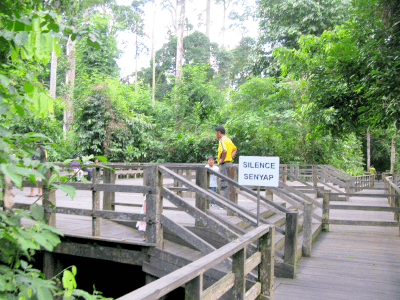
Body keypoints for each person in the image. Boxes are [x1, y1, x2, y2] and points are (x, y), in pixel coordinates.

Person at [215, 126, 237, 200]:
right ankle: (231, 201)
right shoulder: (228, 140)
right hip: (230, 163)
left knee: (223, 183)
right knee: (230, 183)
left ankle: (224, 202)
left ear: (219, 132)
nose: (216, 135)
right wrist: (231, 157)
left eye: (216, 133)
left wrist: (222, 159)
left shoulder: (222, 140)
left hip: (224, 164)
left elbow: (224, 151)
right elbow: (235, 149)